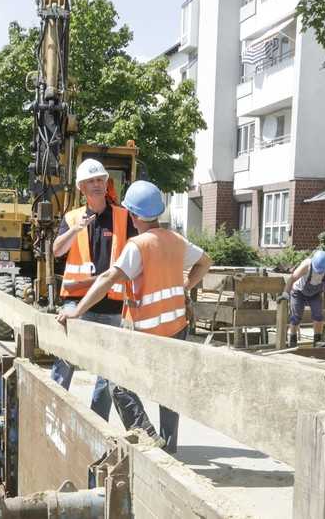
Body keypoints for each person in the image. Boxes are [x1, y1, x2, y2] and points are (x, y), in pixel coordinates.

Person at [57, 180, 213, 454]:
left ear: (133, 214)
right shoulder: (176, 240)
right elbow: (205, 262)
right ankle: (169, 446)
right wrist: (186, 286)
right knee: (169, 390)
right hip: (177, 328)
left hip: (149, 332)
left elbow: (108, 277)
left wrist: (77, 310)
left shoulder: (138, 246)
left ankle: (147, 437)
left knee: (118, 383)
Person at [51, 159, 156, 437]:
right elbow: (56, 251)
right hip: (76, 301)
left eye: (101, 180)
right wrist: (75, 230)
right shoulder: (73, 218)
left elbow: (142, 248)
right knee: (65, 359)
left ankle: (95, 427)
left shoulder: (122, 217)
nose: (98, 184)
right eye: (92, 181)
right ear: (82, 187)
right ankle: (51, 413)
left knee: (106, 372)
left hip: (111, 303)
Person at [278, 249, 325, 347]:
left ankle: (317, 341)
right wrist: (285, 294)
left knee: (318, 315)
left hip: (315, 293)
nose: (319, 273)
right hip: (299, 291)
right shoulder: (306, 265)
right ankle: (292, 340)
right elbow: (292, 278)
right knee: (296, 316)